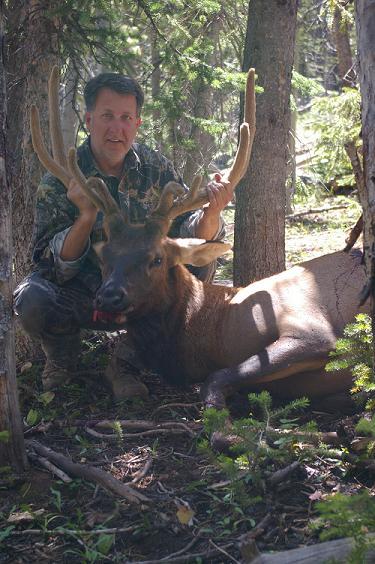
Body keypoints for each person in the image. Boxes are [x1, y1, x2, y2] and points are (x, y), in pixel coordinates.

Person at [14, 72, 235, 399]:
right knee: (32, 298)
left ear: (137, 123)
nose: (116, 128)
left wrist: (211, 213)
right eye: (106, 116)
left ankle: (126, 361)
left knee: (195, 269)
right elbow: (52, 267)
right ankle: (62, 360)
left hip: (140, 296)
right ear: (89, 119)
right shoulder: (61, 179)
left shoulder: (154, 168)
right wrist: (86, 217)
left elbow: (191, 236)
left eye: (125, 118)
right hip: (87, 298)